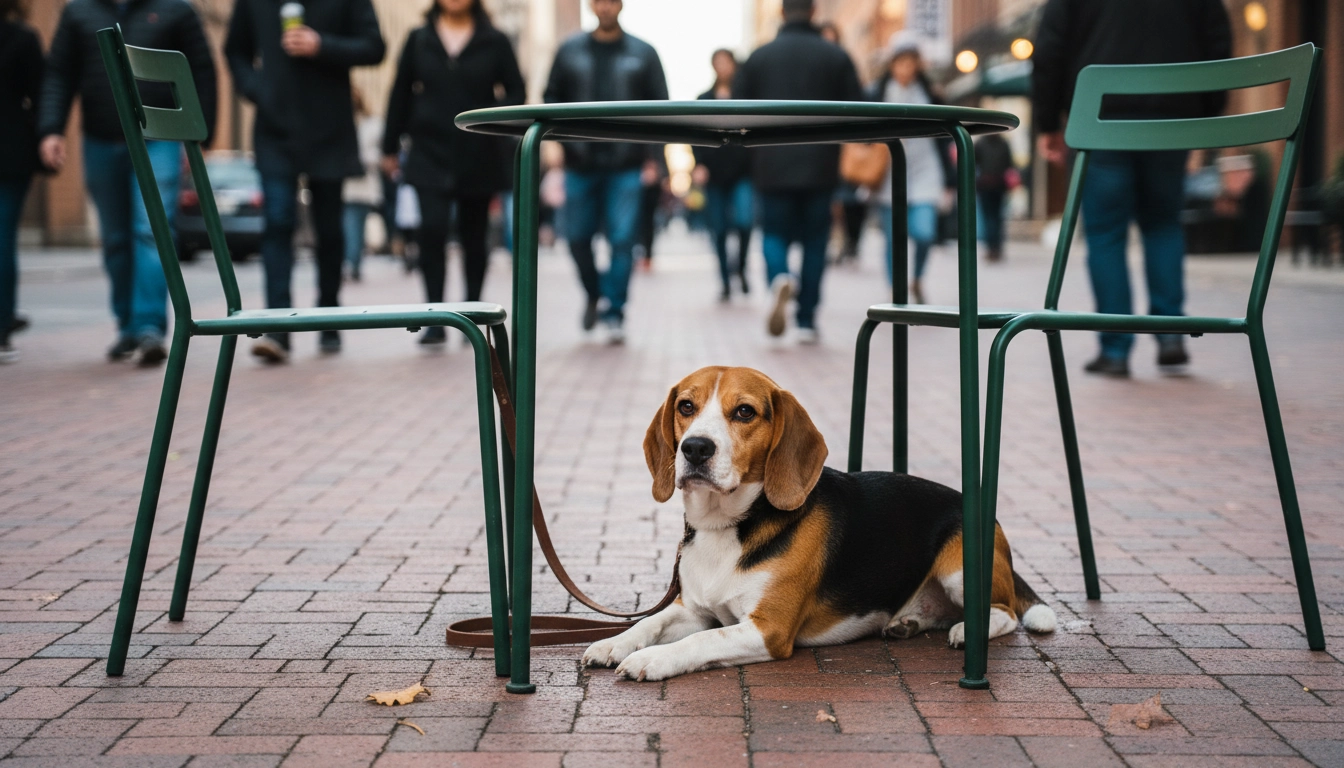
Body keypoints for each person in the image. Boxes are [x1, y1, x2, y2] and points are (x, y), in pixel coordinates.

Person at [1033, 0, 1231, 377]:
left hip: (1100, 119)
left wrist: (1048, 122)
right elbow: (1217, 40)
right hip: (1171, 118)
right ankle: (1170, 334)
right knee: (1163, 224)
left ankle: (1116, 347)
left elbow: (1049, 49)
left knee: (1106, 234)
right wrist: (1206, 114)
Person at [38, 0, 216, 366]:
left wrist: (200, 132)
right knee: (116, 238)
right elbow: (59, 72)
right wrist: (51, 128)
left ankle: (149, 325)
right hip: (101, 139)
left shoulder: (176, 9)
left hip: (158, 139)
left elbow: (202, 71)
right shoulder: (79, 12)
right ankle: (128, 325)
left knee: (151, 229)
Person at [226, 0, 385, 364]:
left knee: (329, 230)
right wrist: (257, 90)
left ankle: (329, 314)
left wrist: (322, 45)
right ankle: (278, 327)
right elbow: (235, 50)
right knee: (278, 220)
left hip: (329, 126)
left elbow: (374, 46)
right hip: (275, 129)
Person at [382, 0, 524, 346]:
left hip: (480, 151)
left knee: (474, 237)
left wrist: (495, 122)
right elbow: (400, 92)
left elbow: (517, 91)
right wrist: (389, 147)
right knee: (431, 232)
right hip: (429, 152)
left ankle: (470, 315)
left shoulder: (495, 40)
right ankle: (435, 317)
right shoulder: (419, 38)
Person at [734, 0, 863, 343]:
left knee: (773, 233)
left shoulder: (759, 57)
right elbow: (858, 103)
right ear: (813, 11)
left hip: (771, 164)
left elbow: (736, 108)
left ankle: (779, 277)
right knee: (815, 242)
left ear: (782, 13)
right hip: (820, 165)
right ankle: (806, 319)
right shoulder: (834, 55)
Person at [544, 0, 668, 344]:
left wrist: (656, 160)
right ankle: (595, 293)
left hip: (625, 165)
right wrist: (561, 145)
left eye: (611, 0)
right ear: (591, 6)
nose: (605, 6)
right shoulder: (569, 51)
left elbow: (661, 108)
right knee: (577, 238)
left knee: (622, 240)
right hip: (580, 163)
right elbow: (551, 98)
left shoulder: (644, 53)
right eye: (599, 1)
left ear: (621, 5)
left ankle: (615, 311)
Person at [872, 35, 955, 305]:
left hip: (925, 171)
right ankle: (893, 287)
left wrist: (950, 180)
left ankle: (917, 278)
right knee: (892, 237)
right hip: (888, 173)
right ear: (892, 64)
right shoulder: (877, 92)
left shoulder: (931, 93)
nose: (906, 68)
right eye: (900, 63)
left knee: (924, 232)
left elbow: (945, 138)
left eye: (911, 63)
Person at [692, 49, 753, 300]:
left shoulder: (747, 97)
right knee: (717, 229)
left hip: (742, 171)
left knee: (745, 222)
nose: (722, 67)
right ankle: (725, 281)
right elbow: (695, 135)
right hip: (714, 173)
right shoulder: (704, 98)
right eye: (717, 62)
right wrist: (698, 164)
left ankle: (739, 267)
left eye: (726, 62)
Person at [0, 0, 42, 364]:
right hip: (10, 149)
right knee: (3, 238)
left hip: (11, 155)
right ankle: (1, 325)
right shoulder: (22, 39)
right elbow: (40, 95)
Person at [343, 87, 382, 283]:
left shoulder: (372, 125)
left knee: (354, 227)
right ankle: (351, 263)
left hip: (363, 187)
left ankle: (353, 263)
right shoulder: (340, 122)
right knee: (349, 228)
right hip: (344, 187)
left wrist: (360, 159)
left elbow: (380, 155)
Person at [975, 132, 1014, 263]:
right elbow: (1009, 163)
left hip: (987, 185)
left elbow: (973, 161)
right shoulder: (1003, 143)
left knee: (989, 218)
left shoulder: (981, 143)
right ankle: (996, 248)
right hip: (997, 185)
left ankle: (992, 248)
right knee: (996, 218)